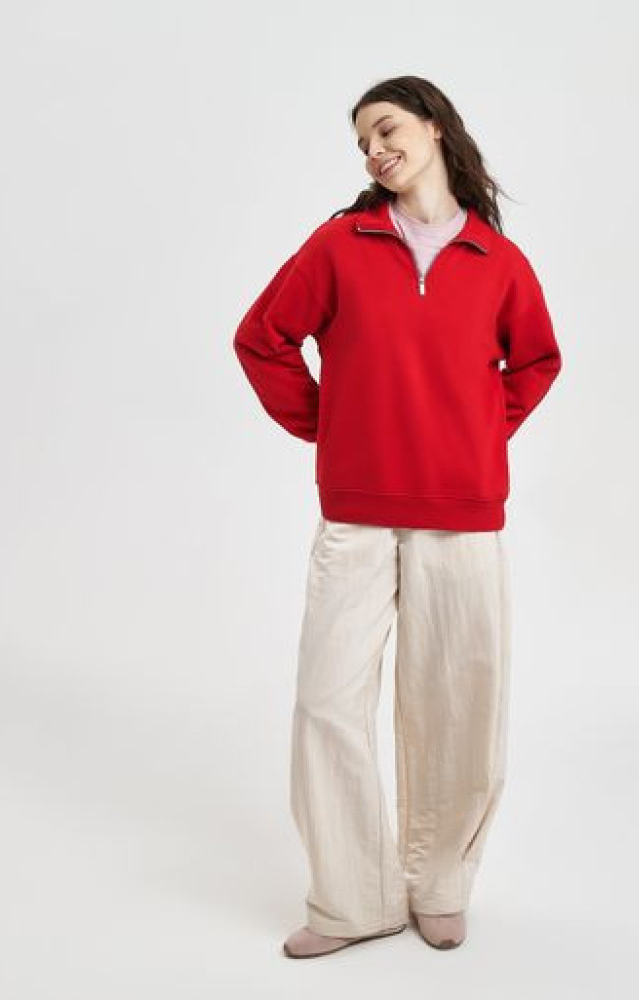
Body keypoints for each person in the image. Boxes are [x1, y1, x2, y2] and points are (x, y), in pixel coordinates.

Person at [233, 75, 563, 959]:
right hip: (357, 512)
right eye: (362, 143)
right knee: (327, 703)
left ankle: (439, 883)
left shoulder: (497, 259)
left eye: (385, 129)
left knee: (458, 702)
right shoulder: (338, 245)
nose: (375, 150)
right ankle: (352, 901)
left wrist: (476, 435)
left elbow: (537, 361)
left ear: (434, 126)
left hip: (464, 513)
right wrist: (330, 424)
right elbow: (262, 338)